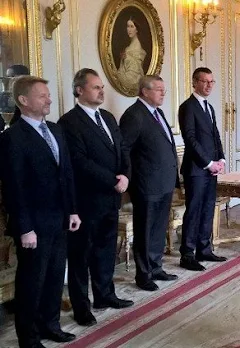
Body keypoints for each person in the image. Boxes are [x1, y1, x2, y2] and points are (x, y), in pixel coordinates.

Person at [1, 76, 81, 347]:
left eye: (48, 95)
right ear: (23, 101)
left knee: (56, 276)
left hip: (59, 219)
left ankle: (51, 325)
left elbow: (67, 174)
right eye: (42, 96)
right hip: (33, 225)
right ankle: (29, 336)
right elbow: (15, 187)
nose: (49, 100)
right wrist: (24, 227)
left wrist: (72, 211)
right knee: (32, 283)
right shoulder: (13, 138)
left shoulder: (56, 130)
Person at [58, 68, 134, 327]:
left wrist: (125, 175)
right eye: (96, 87)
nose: (101, 91)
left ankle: (105, 295)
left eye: (102, 87)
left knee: (105, 250)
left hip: (112, 198)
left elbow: (123, 148)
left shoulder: (108, 117)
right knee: (81, 255)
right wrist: (113, 180)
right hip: (87, 200)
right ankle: (82, 307)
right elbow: (80, 162)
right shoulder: (69, 122)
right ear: (79, 90)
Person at [120, 75, 179, 291]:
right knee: (145, 230)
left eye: (164, 90)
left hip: (163, 182)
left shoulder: (158, 113)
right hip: (146, 184)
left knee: (157, 229)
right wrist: (129, 176)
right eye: (159, 89)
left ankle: (156, 267)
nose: (163, 93)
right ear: (145, 91)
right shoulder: (133, 115)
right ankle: (143, 274)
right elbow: (124, 149)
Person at [178, 67, 226, 271]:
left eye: (211, 82)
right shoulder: (188, 107)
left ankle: (204, 249)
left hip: (211, 168)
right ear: (194, 82)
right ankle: (187, 254)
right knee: (194, 210)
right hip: (196, 169)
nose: (208, 85)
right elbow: (190, 139)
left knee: (208, 209)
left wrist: (221, 158)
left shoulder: (209, 107)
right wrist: (208, 163)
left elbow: (215, 135)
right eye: (204, 81)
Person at [117, 18, 147, 93]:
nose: (129, 29)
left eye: (132, 26)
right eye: (128, 26)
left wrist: (126, 57)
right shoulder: (128, 47)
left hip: (133, 77)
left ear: (136, 30)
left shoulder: (136, 47)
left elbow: (135, 70)